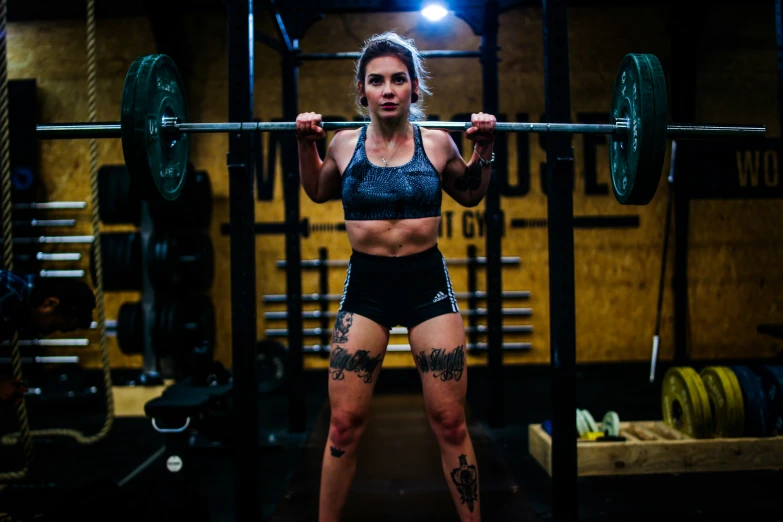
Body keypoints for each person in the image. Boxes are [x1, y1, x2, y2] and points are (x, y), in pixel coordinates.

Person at [296, 31, 495, 522]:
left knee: (450, 421)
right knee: (343, 425)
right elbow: (319, 192)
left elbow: (470, 193)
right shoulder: (344, 144)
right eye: (377, 80)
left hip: (426, 281)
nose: (388, 89)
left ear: (414, 90)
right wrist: (306, 144)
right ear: (362, 91)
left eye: (398, 80)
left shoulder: (438, 142)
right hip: (367, 286)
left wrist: (484, 149)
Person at [0, 271, 95, 407]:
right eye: (53, 326)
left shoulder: (14, 302)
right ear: (49, 303)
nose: (47, 334)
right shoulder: (8, 295)